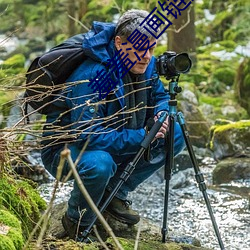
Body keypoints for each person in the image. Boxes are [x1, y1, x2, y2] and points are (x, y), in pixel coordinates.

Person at [41, 9, 185, 241]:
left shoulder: (144, 63)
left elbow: (159, 96)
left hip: (117, 136)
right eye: (140, 48)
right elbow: (87, 135)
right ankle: (76, 221)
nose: (147, 56)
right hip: (67, 150)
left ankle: (115, 193)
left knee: (175, 132)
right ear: (119, 43)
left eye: (152, 47)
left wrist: (161, 114)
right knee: (100, 164)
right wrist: (142, 136)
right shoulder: (93, 76)